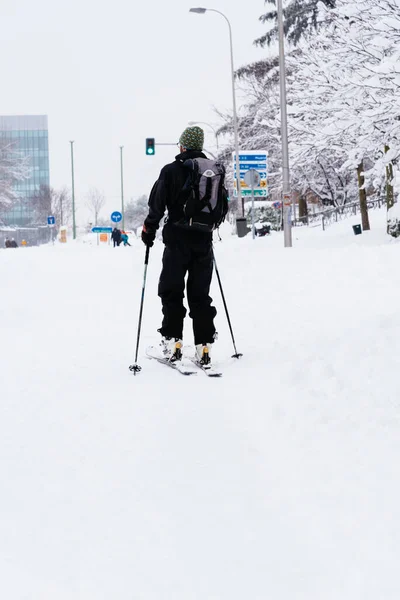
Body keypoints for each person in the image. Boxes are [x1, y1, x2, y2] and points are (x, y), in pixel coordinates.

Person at [141, 125, 221, 366]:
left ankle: (173, 342)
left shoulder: (170, 171)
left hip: (176, 240)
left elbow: (157, 204)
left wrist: (149, 230)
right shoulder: (213, 172)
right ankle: (203, 347)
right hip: (204, 240)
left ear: (183, 146)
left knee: (171, 290)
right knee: (200, 294)